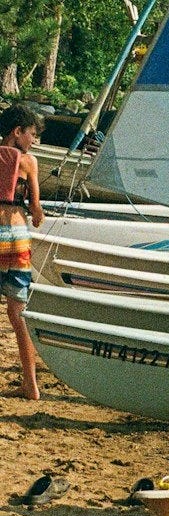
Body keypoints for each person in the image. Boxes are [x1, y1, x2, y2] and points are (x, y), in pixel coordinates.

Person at [0, 104, 45, 400]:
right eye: (32, 134)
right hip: (16, 238)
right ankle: (31, 385)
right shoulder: (29, 162)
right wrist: (37, 214)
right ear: (17, 132)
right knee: (18, 314)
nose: (34, 141)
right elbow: (36, 210)